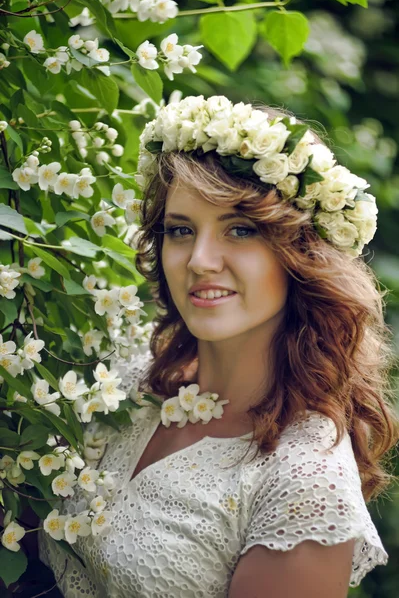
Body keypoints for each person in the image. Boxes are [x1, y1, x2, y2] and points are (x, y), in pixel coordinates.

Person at [39, 96, 399, 597]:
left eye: (241, 230)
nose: (201, 260)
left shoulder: (305, 480)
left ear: (302, 253)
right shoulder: (122, 381)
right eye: (181, 230)